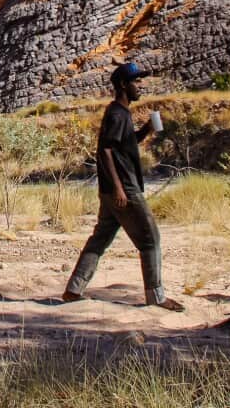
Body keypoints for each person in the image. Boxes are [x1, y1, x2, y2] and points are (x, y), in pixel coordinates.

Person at [61, 62, 184, 312]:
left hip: (111, 190)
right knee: (150, 239)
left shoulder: (121, 113)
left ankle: (74, 289)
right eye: (136, 82)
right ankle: (156, 296)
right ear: (123, 85)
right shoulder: (118, 113)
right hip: (124, 189)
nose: (140, 86)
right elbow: (105, 150)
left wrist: (146, 131)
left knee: (101, 238)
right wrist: (118, 188)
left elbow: (121, 145)